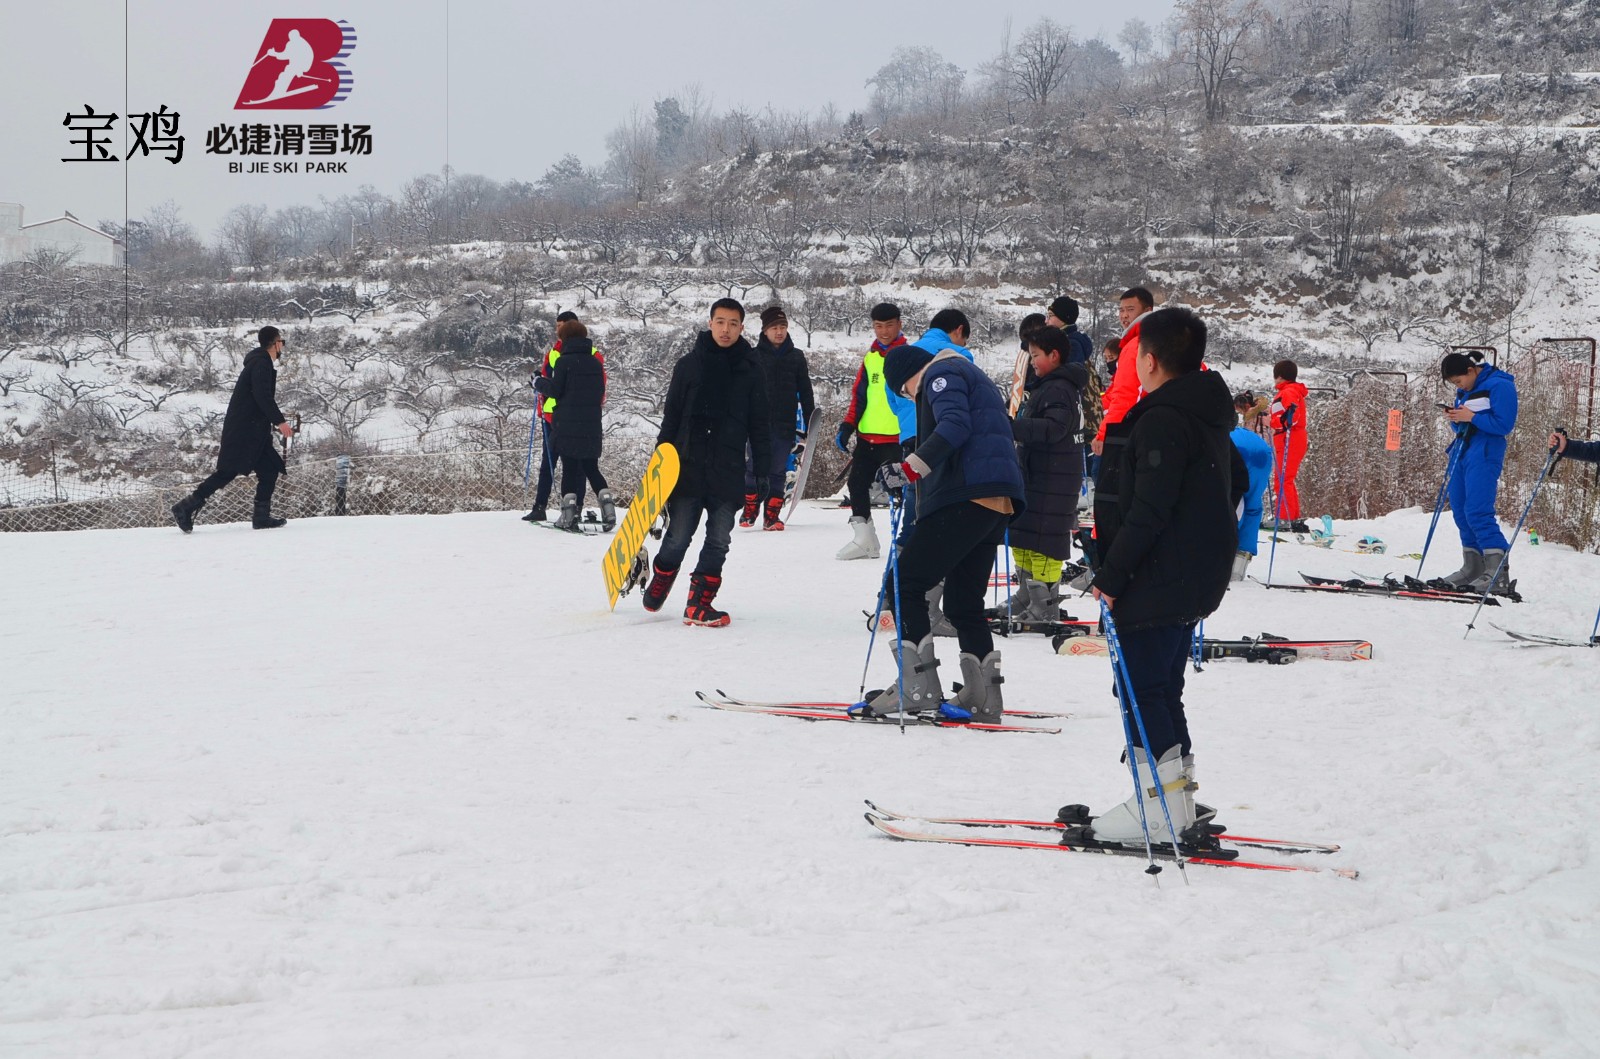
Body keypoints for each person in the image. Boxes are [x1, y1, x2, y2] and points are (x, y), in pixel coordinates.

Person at [1084, 306, 1242, 847]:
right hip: (1194, 573)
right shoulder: (1208, 413)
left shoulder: (1162, 418)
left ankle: (1156, 810)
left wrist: (1111, 575)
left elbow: (1147, 510)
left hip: (1158, 574)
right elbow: (1237, 482)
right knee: (1161, 688)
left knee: (1141, 689)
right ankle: (1175, 800)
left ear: (1148, 361)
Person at [853, 335, 1025, 723]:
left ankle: (917, 687)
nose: (912, 397)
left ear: (908, 378)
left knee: (905, 583)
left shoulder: (939, 374)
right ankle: (983, 698)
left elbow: (954, 426)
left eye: (905, 391)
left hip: (967, 495)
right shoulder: (971, 375)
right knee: (964, 602)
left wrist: (908, 468)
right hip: (997, 498)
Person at [642, 299, 771, 627]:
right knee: (678, 536)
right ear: (710, 323)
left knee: (719, 538)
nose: (726, 329)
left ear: (742, 328)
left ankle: (699, 603)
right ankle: (663, 574)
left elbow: (760, 425)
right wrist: (659, 463)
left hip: (728, 469)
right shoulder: (688, 366)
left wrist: (762, 472)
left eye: (733, 323)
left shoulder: (751, 370)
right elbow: (671, 418)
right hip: (688, 465)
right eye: (720, 322)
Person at [873, 308, 980, 638]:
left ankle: (890, 596)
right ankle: (922, 603)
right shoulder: (958, 357)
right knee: (936, 520)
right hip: (940, 445)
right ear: (958, 331)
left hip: (909, 441)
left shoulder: (904, 354)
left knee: (912, 520)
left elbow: (893, 401)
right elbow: (965, 409)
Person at [170, 326, 294, 532]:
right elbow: (262, 396)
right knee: (227, 472)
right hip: (245, 431)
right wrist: (280, 422)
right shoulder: (261, 363)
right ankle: (185, 506)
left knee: (269, 469)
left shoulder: (259, 362)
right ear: (275, 344)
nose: (282, 346)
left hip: (253, 430)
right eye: (281, 342)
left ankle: (261, 517)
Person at [1006, 326, 1087, 622]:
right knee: (1025, 535)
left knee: (1044, 540)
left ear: (1054, 356)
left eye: (1036, 355)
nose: (1032, 361)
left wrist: (1012, 427)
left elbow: (1055, 428)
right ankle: (1027, 594)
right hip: (1039, 474)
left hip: (1055, 477)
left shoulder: (1059, 388)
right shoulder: (1047, 386)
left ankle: (1045, 602)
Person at [1434, 350, 1519, 594]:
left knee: (1477, 510)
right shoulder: (1466, 389)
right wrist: (1456, 418)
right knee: (1461, 510)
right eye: (1454, 384)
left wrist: (1471, 416)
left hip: (1485, 451)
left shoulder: (1500, 385)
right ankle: (1472, 567)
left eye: (1459, 381)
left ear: (1471, 370)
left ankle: (1497, 572)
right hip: (1462, 450)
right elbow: (1464, 423)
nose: (1458, 386)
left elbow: (1504, 424)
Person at [835, 303, 907, 561]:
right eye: (878, 326)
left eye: (889, 325)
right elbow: (860, 396)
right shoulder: (870, 357)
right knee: (856, 484)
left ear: (899, 324)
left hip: (896, 439)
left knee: (900, 491)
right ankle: (865, 540)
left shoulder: (909, 355)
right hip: (867, 437)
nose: (884, 331)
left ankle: (908, 543)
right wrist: (848, 426)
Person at [534, 319, 613, 531]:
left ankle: (568, 516)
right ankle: (609, 511)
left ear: (565, 338)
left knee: (569, 467)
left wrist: (538, 382)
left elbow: (556, 390)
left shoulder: (563, 362)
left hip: (568, 424)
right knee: (591, 468)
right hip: (591, 424)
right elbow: (600, 392)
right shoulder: (595, 363)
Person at [743, 306, 814, 531]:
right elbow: (742, 390)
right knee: (753, 466)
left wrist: (811, 420)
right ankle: (750, 508)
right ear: (765, 330)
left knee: (778, 469)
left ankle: (772, 516)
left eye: (783, 327)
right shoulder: (753, 356)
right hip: (757, 423)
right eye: (774, 327)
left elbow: (805, 390)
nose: (779, 332)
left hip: (785, 423)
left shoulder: (796, 357)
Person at [524, 311, 581, 522]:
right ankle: (544, 506)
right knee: (554, 463)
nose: (557, 330)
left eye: (560, 326)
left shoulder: (563, 354)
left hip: (561, 416)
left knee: (567, 464)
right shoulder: (555, 352)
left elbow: (555, 385)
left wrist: (539, 382)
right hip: (552, 415)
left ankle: (566, 508)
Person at [1091, 286, 1157, 458]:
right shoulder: (1167, 339)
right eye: (1121, 310)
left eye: (1130, 309)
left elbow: (1126, 395)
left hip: (1139, 432)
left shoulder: (1136, 346)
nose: (1124, 315)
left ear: (1147, 311)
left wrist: (1104, 434)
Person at [1230, 392, 1275, 580]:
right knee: (1253, 506)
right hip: (1263, 453)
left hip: (1237, 452)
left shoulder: (1216, 433)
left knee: (1230, 502)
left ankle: (1222, 555)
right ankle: (1239, 566)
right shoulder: (1260, 416)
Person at [1269, 359, 1310, 523]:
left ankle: (1285, 518)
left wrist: (1272, 422)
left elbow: (1291, 416)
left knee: (1282, 480)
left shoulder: (1288, 392)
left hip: (1290, 438)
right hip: (1291, 438)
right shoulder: (1290, 391)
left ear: (1279, 376)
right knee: (1285, 478)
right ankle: (1291, 516)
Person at [1044, 295, 1094, 367]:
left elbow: (1070, 372)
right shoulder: (1059, 339)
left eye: (1050, 315)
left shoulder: (1072, 345)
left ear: (1063, 319)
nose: (1046, 321)